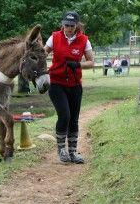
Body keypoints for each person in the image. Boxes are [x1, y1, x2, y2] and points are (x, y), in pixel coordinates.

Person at [44, 11, 94, 164]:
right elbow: (42, 54)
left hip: (75, 85)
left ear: (77, 25)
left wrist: (78, 64)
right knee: (64, 115)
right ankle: (61, 150)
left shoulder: (84, 40)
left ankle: (72, 153)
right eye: (66, 25)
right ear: (63, 24)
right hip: (57, 83)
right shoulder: (55, 37)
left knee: (74, 120)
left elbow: (91, 62)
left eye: (72, 26)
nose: (69, 28)